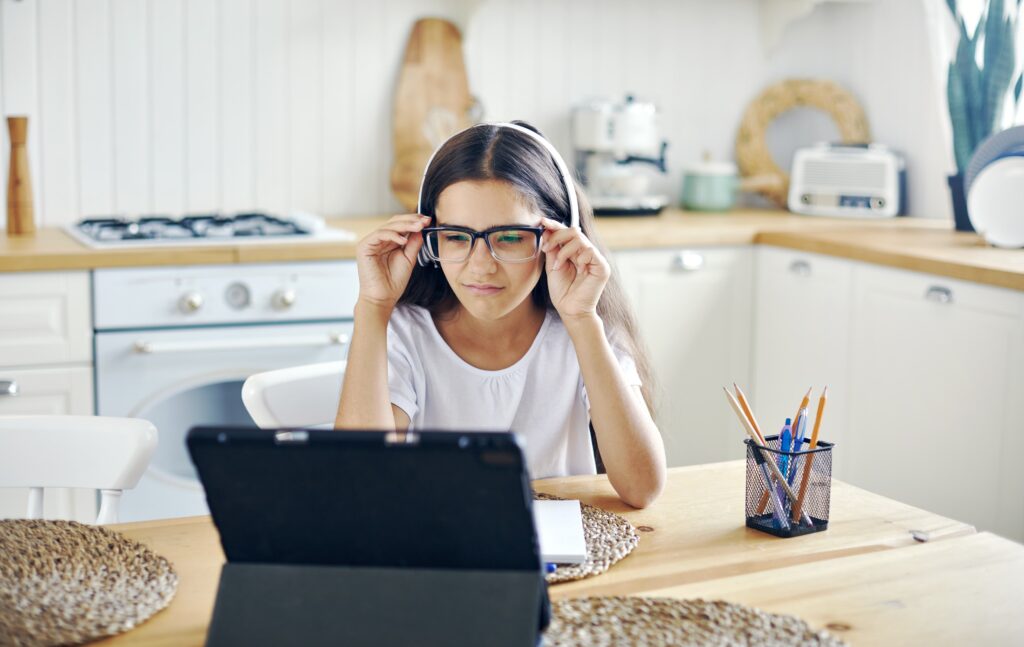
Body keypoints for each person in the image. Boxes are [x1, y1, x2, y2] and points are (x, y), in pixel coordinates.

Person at [335, 121, 665, 508]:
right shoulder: (405, 333)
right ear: (429, 237)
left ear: (559, 240)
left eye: (509, 238)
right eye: (456, 237)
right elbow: (358, 486)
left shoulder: (586, 328)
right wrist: (373, 308)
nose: (481, 266)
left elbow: (642, 487)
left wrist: (582, 321)